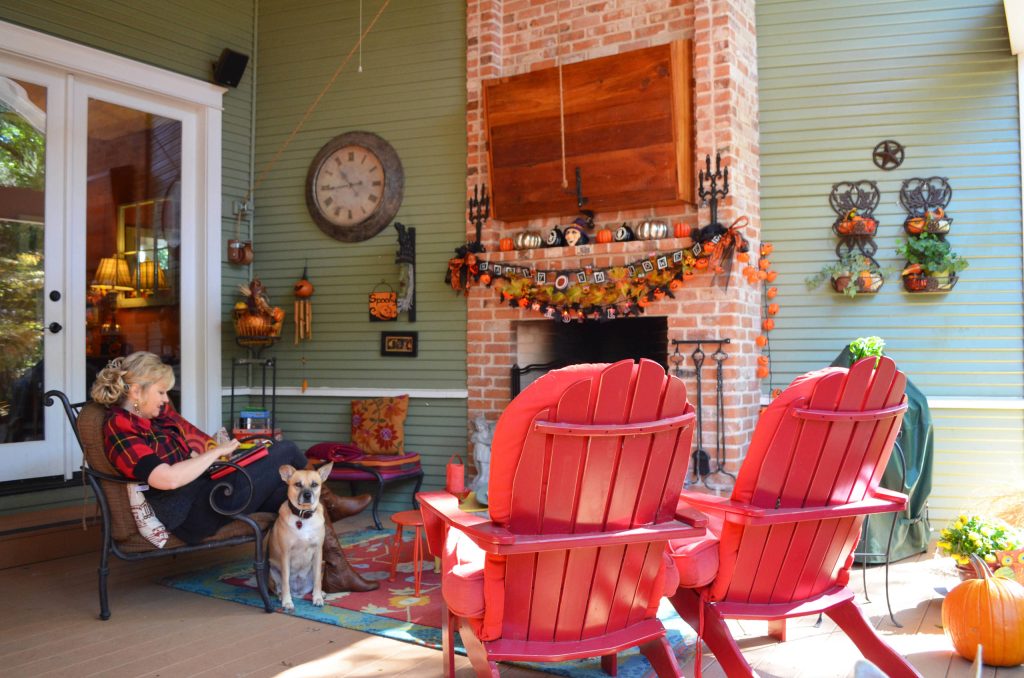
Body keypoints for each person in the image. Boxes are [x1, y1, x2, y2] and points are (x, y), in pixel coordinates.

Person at [90, 352, 378, 593]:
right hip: (190, 513)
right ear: (136, 390)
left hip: (210, 489)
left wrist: (227, 452)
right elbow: (167, 478)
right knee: (286, 449)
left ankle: (337, 569)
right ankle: (332, 507)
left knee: (286, 490)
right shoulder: (120, 428)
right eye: (161, 392)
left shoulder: (157, 416)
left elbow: (196, 439)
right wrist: (213, 454)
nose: (166, 399)